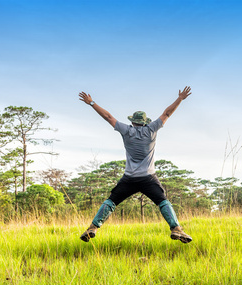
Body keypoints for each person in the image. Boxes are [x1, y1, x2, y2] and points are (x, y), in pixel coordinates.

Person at [78, 86, 193, 244]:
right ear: (145, 122)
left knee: (111, 201)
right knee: (163, 201)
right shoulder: (152, 129)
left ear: (132, 121)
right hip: (148, 178)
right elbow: (167, 113)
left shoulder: (126, 130)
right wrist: (180, 98)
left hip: (130, 178)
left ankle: (93, 227)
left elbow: (108, 117)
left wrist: (91, 103)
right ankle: (176, 229)